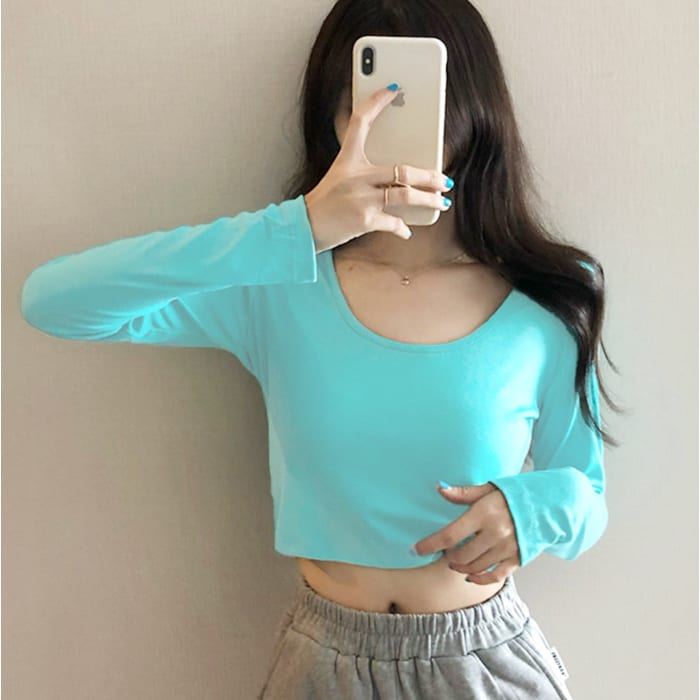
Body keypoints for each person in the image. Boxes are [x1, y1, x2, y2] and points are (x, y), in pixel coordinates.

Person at [20, 1, 621, 698]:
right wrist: (292, 230)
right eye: (362, 96)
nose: (387, 117)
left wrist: (534, 509)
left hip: (485, 663)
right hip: (323, 668)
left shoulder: (546, 296)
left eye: (418, 94)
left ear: (472, 106)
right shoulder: (277, 283)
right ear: (329, 115)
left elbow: (588, 497)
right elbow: (55, 302)